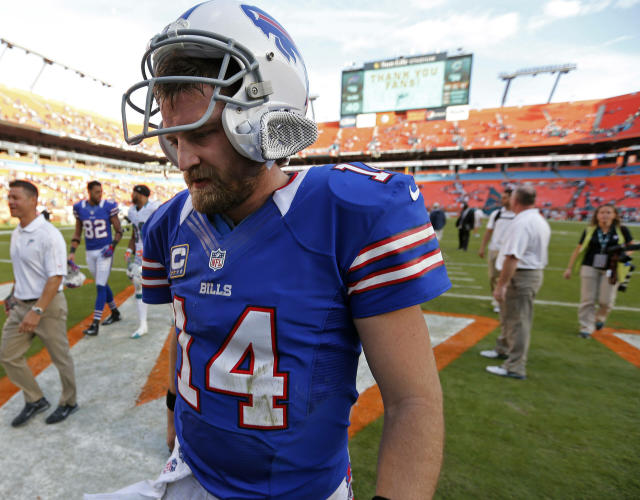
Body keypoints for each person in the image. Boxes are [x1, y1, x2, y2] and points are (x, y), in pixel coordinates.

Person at [87, 2, 449, 499]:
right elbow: (188, 327)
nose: (184, 159)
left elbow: (413, 402)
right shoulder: (172, 222)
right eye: (173, 138)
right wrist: (174, 408)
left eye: (203, 134)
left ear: (268, 119)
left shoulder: (345, 212)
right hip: (189, 472)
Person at [1, 180, 78, 426]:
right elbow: (23, 270)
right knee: (8, 355)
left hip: (47, 306)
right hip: (20, 305)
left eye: (15, 197)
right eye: (9, 197)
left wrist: (37, 310)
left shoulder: (49, 234)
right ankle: (35, 399)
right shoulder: (18, 232)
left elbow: (56, 277)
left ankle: (69, 402)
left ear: (33, 200)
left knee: (60, 357)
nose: (10, 202)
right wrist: (13, 295)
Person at [484, 185, 550, 379]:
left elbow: (512, 257)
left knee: (518, 321)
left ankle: (515, 366)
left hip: (521, 275)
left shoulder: (523, 222)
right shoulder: (535, 218)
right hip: (526, 273)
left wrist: (501, 285)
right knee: (509, 317)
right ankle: (503, 349)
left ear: (515, 200)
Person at [563, 203, 634, 338]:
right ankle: (585, 327)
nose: (604, 215)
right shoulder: (590, 230)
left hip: (611, 269)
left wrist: (625, 255)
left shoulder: (622, 230)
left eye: (608, 212)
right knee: (587, 299)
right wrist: (569, 268)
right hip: (589, 266)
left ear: (614, 215)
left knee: (606, 301)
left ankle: (600, 318)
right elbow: (578, 249)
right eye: (601, 212)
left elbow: (631, 246)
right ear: (596, 215)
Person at [70, 180, 123, 336]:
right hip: (90, 252)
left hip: (104, 251)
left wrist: (112, 246)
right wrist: (72, 251)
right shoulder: (80, 208)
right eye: (96, 192)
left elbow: (119, 230)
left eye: (101, 191)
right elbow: (78, 231)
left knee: (100, 286)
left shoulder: (108, 207)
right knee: (102, 283)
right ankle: (115, 312)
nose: (100, 195)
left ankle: (95, 324)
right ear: (89, 192)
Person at [124, 184, 161, 339]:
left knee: (168, 283)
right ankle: (143, 324)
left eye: (135, 192)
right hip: (140, 254)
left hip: (156, 252)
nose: (132, 195)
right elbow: (134, 234)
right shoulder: (132, 211)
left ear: (143, 195)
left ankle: (174, 310)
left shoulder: (154, 208)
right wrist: (128, 251)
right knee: (138, 287)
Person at [478, 187, 515, 313]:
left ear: (512, 198)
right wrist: (482, 247)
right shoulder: (497, 214)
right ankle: (496, 298)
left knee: (505, 278)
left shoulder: (517, 215)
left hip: (509, 251)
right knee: (493, 277)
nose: (502, 200)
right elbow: (489, 232)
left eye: (505, 198)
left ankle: (502, 301)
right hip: (494, 249)